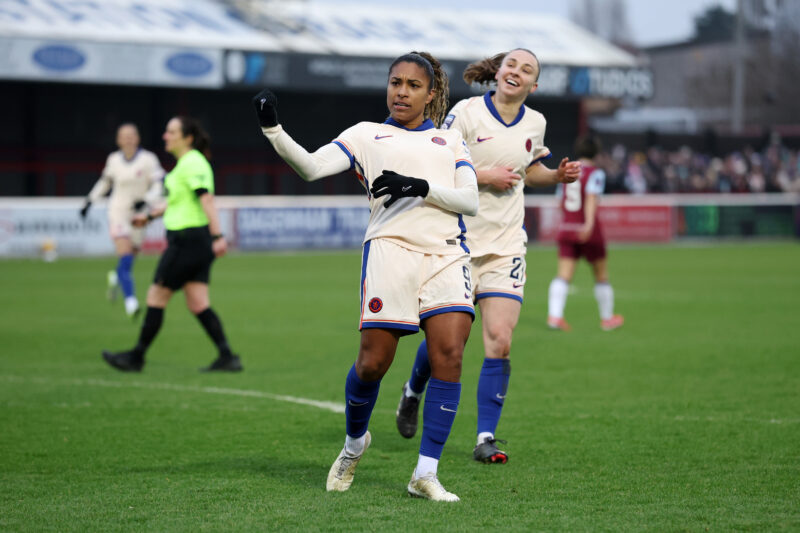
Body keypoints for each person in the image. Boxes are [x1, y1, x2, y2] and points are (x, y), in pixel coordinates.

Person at [253, 51, 478, 502]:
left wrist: (421, 187)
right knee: (374, 363)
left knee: (449, 354)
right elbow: (312, 167)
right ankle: (355, 444)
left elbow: (470, 200)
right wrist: (273, 128)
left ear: (431, 94)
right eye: (396, 82)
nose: (402, 91)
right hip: (389, 252)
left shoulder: (450, 140)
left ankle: (425, 474)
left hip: (446, 253)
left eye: (414, 85)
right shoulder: (365, 135)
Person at [394, 49, 581, 465]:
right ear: (498, 72)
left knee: (500, 339)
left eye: (527, 70)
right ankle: (412, 392)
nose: (517, 72)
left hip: (506, 246)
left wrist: (555, 175)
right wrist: (484, 175)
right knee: (449, 341)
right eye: (511, 65)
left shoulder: (536, 122)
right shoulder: (465, 114)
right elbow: (437, 164)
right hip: (457, 243)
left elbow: (528, 171)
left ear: (534, 85)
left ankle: (486, 438)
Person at [101, 116, 242, 373]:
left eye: (172, 132)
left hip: (188, 241)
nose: (166, 136)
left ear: (187, 138)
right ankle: (227, 357)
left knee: (156, 296)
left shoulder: (193, 163)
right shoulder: (183, 166)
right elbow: (178, 202)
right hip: (193, 241)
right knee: (198, 303)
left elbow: (206, 199)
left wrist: (218, 236)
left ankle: (136, 357)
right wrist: (150, 216)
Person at [80, 123, 164, 318]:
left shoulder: (148, 159)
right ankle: (131, 301)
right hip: (118, 212)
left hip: (139, 215)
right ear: (118, 140)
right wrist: (89, 201)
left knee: (129, 258)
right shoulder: (114, 160)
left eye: (131, 135)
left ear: (138, 138)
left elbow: (158, 185)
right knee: (125, 252)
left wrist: (147, 200)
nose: (128, 139)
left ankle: (117, 277)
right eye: (124, 136)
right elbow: (105, 182)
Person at [547, 135, 624, 332]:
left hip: (567, 227)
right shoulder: (595, 173)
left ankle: (555, 316)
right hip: (588, 229)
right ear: (596, 153)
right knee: (601, 275)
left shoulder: (568, 171)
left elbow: (559, 201)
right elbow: (591, 197)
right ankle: (607, 319)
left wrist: (568, 221)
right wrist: (588, 224)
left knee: (563, 275)